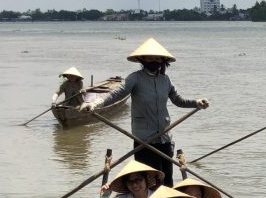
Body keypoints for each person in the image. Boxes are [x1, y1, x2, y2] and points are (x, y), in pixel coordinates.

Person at [80, 38, 210, 187]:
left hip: (165, 138)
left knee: (167, 182)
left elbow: (178, 100)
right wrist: (95, 103)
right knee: (150, 183)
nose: (154, 61)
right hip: (144, 141)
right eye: (150, 58)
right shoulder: (135, 78)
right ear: (142, 60)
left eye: (157, 58)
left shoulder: (165, 80)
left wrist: (197, 103)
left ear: (162, 60)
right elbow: (116, 94)